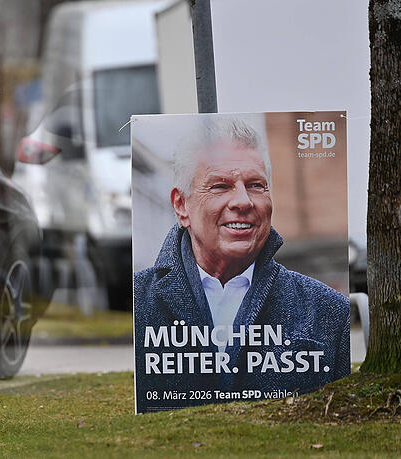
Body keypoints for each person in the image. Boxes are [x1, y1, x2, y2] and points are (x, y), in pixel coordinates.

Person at [133, 118, 349, 412]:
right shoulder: (138, 303)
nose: (243, 201)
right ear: (181, 205)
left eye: (256, 185)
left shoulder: (329, 312)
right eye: (221, 186)